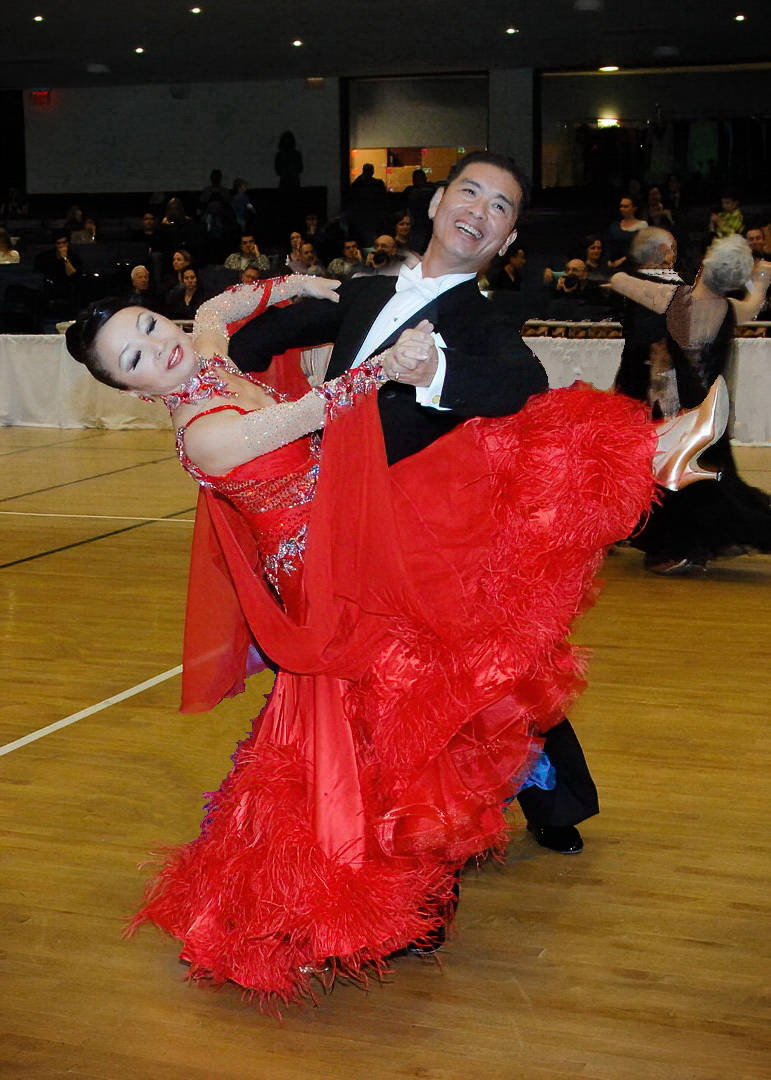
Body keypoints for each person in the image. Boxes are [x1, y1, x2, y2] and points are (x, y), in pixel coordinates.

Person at [66, 268, 725, 1009]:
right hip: (332, 587)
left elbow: (219, 305)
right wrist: (384, 366)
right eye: (134, 358)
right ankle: (350, 906)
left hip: (355, 541)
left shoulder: (207, 353)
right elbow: (313, 412)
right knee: (460, 513)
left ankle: (652, 451)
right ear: (131, 391)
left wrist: (303, 282)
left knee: (400, 706)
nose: (158, 348)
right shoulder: (207, 433)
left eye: (150, 326)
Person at [227, 151, 661, 854]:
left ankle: (546, 803)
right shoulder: (361, 293)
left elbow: (521, 384)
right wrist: (203, 355)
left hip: (425, 533)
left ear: (507, 240)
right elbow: (253, 341)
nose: (479, 211)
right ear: (434, 205)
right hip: (337, 519)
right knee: (388, 683)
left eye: (500, 207)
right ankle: (350, 823)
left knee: (481, 680)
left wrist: (436, 370)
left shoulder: (481, 321)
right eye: (470, 192)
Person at [611, 233, 771, 575]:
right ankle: (696, 545)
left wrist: (645, 268)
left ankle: (681, 549)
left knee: (679, 483)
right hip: (711, 412)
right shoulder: (729, 309)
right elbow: (754, 303)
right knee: (711, 485)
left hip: (678, 413)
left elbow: (620, 281)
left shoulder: (675, 299)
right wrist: (759, 276)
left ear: (703, 267)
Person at [614, 227, 682, 419]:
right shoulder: (668, 284)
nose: (674, 255)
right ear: (663, 251)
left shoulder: (629, 281)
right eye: (673, 249)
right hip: (656, 373)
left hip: (633, 368)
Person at [606, 195, 648, 270]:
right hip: (613, 264)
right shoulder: (615, 225)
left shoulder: (642, 225)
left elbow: (641, 248)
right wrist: (609, 261)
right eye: (621, 206)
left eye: (626, 206)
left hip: (632, 265)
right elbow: (609, 244)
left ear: (634, 208)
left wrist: (622, 260)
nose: (622, 209)